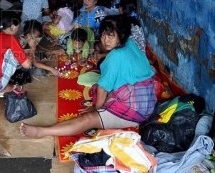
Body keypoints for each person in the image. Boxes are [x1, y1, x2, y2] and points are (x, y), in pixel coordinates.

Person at [20, 15, 157, 138]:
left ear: (121, 35)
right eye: (103, 35)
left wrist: (95, 109)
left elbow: (103, 88)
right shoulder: (131, 45)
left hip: (137, 111)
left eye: (110, 36)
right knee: (100, 86)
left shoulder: (116, 56)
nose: (105, 40)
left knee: (87, 119)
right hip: (149, 100)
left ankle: (42, 132)